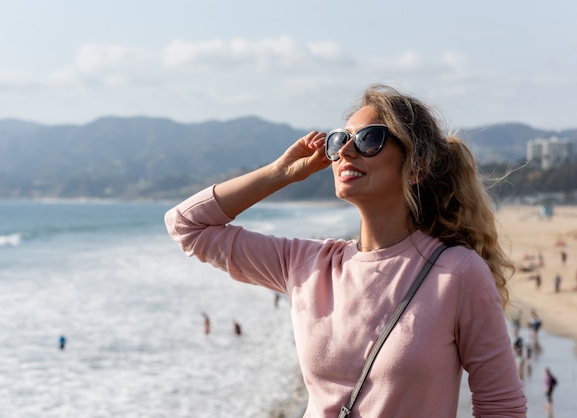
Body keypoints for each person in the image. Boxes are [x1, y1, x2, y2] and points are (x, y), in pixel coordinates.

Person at [165, 84, 527, 416]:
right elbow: (186, 225)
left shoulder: (457, 273)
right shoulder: (307, 264)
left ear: (416, 166)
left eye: (369, 139)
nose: (346, 151)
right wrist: (280, 173)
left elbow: (502, 407)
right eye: (339, 140)